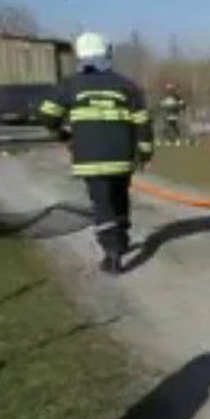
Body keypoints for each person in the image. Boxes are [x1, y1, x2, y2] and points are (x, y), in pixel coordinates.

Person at [38, 32, 154, 275]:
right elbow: (142, 122)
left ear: (80, 56)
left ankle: (112, 255)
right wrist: (144, 153)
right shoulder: (126, 85)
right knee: (120, 198)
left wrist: (63, 134)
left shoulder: (71, 84)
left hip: (89, 159)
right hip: (122, 158)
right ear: (106, 53)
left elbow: (46, 115)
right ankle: (120, 242)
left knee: (102, 205)